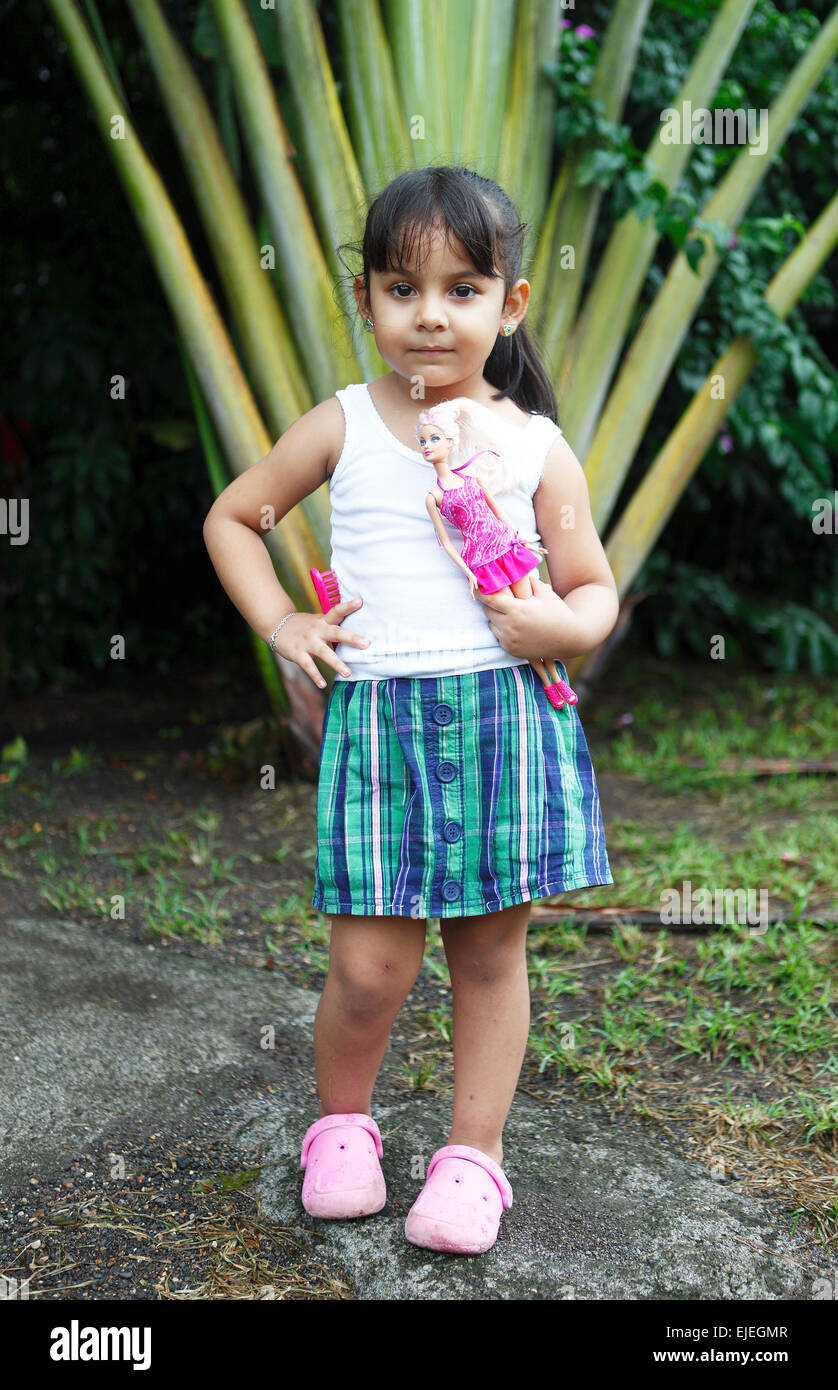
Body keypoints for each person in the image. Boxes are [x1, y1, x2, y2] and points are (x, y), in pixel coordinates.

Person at [202, 164, 619, 1256]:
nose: (430, 313)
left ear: (509, 303)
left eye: (463, 288)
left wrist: (553, 630)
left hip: (504, 717)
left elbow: (594, 588)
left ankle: (472, 1157)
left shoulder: (530, 442)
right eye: (402, 288)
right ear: (367, 301)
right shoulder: (342, 424)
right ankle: (341, 1127)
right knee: (367, 965)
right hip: (380, 727)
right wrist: (284, 622)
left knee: (488, 955)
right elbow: (235, 518)